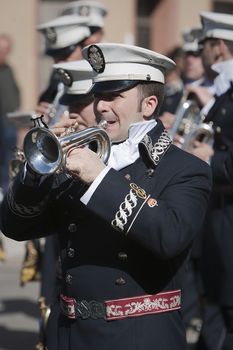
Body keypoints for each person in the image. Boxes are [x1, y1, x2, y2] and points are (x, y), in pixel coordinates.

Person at [0, 42, 212, 350]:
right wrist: (35, 173)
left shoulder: (183, 168)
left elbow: (169, 235)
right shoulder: (83, 157)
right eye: (98, 96)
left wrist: (98, 178)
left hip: (138, 336)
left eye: (114, 96)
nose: (100, 106)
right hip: (70, 333)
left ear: (149, 105)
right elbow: (16, 227)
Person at [183, 12, 233, 350]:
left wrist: (208, 158)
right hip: (217, 216)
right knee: (217, 309)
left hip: (228, 215)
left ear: (217, 46)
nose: (200, 53)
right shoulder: (223, 94)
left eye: (204, 45)